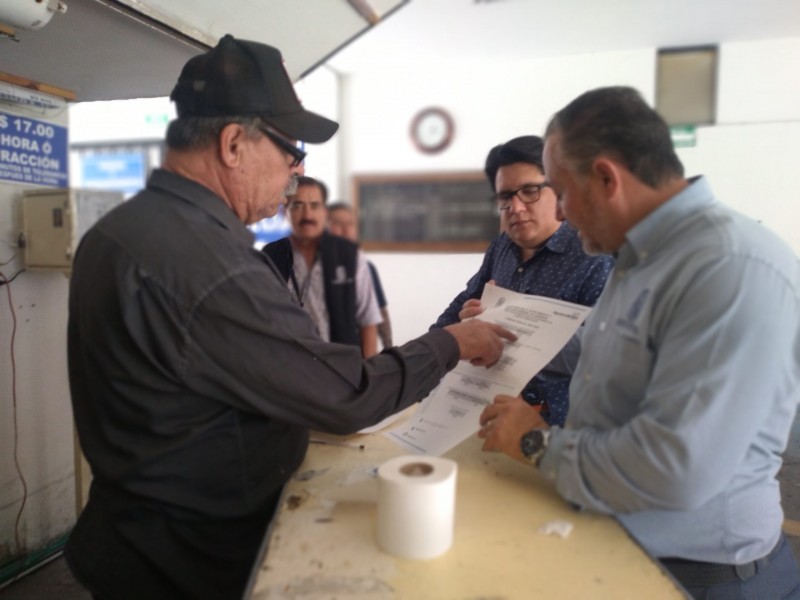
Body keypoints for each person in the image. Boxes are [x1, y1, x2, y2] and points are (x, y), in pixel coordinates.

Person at [65, 34, 515, 600]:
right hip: (188, 563)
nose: (297, 170)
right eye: (290, 149)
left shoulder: (117, 232)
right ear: (234, 144)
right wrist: (453, 342)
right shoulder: (211, 263)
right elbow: (348, 395)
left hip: (136, 535)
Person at [479, 86, 800, 599]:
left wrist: (537, 443)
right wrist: (502, 342)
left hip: (705, 579)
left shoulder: (728, 266)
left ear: (607, 178)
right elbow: (595, 360)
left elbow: (676, 467)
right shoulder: (642, 258)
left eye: (561, 192)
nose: (562, 212)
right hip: (621, 548)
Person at [431, 136, 613, 426]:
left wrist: (502, 328)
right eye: (505, 197)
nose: (516, 207)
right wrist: (432, 349)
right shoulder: (501, 247)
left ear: (559, 189)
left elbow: (602, 354)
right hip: (482, 414)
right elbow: (463, 302)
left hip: (556, 428)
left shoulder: (593, 255)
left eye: (529, 191)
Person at [262, 178, 381, 357]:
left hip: (340, 365)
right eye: (298, 205)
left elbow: (368, 319)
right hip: (286, 363)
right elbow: (263, 317)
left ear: (325, 212)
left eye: (315, 205)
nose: (307, 215)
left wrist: (367, 370)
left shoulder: (349, 254)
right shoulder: (271, 255)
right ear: (285, 211)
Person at [327, 200, 393, 348]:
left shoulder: (366, 268)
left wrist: (388, 348)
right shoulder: (314, 266)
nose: (345, 229)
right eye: (337, 223)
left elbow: (380, 311)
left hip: (356, 350)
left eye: (350, 224)